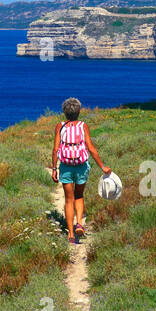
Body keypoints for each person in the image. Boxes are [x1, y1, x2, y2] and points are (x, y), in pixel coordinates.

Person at [51, 97, 112, 244]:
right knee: (79, 195)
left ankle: (70, 234)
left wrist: (54, 169)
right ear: (79, 112)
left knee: (68, 200)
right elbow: (91, 148)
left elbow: (55, 149)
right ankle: (79, 223)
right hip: (81, 165)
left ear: (65, 112)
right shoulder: (83, 126)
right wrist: (102, 166)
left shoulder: (60, 126)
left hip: (65, 166)